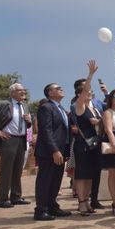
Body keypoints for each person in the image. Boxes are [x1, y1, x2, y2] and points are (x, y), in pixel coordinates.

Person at [34, 83, 72, 220]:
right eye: (57, 88)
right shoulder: (46, 107)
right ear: (50, 93)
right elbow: (46, 130)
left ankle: (52, 206)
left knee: (56, 180)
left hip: (61, 150)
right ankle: (40, 210)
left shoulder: (60, 108)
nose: (61, 89)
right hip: (49, 152)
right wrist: (54, 150)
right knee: (45, 180)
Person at [72, 61, 103, 216]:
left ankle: (89, 201)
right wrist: (90, 75)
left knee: (91, 175)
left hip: (95, 145)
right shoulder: (80, 107)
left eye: (91, 91)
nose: (90, 92)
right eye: (87, 91)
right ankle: (82, 203)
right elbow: (84, 91)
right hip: (83, 145)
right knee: (82, 175)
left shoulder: (94, 108)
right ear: (80, 95)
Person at [0, 83, 32, 208]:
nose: (23, 92)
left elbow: (29, 124)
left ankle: (16, 197)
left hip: (22, 140)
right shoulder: (2, 104)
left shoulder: (25, 106)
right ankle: (3, 199)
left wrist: (29, 123)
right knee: (6, 170)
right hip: (8, 139)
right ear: (12, 93)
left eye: (24, 90)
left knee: (18, 169)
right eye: (20, 90)